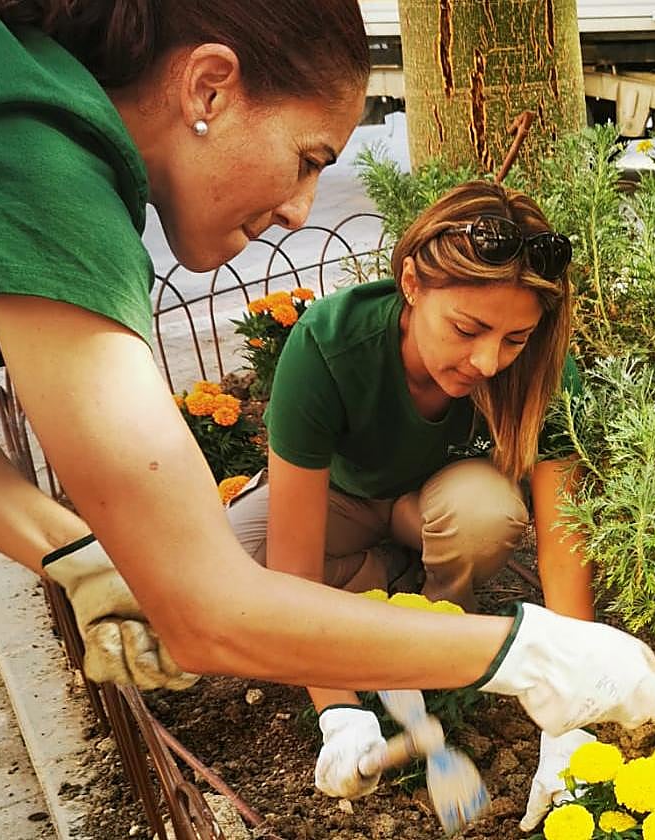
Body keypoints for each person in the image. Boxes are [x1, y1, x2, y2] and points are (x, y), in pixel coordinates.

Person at [0, 0, 655, 798]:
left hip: (423, 513)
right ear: (207, 88)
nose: (300, 210)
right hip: (350, 509)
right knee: (231, 559)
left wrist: (72, 551)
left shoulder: (11, 107)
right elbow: (210, 612)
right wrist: (528, 656)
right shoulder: (36, 153)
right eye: (309, 158)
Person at [226, 179, 606, 825]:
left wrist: (568, 719)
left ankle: (436, 617)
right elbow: (291, 566)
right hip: (344, 497)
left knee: (486, 514)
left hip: (444, 503)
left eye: (513, 339)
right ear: (410, 283)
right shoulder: (328, 344)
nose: (488, 361)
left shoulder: (539, 367)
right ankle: (393, 589)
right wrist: (338, 711)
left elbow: (562, 538)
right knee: (237, 561)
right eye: (467, 328)